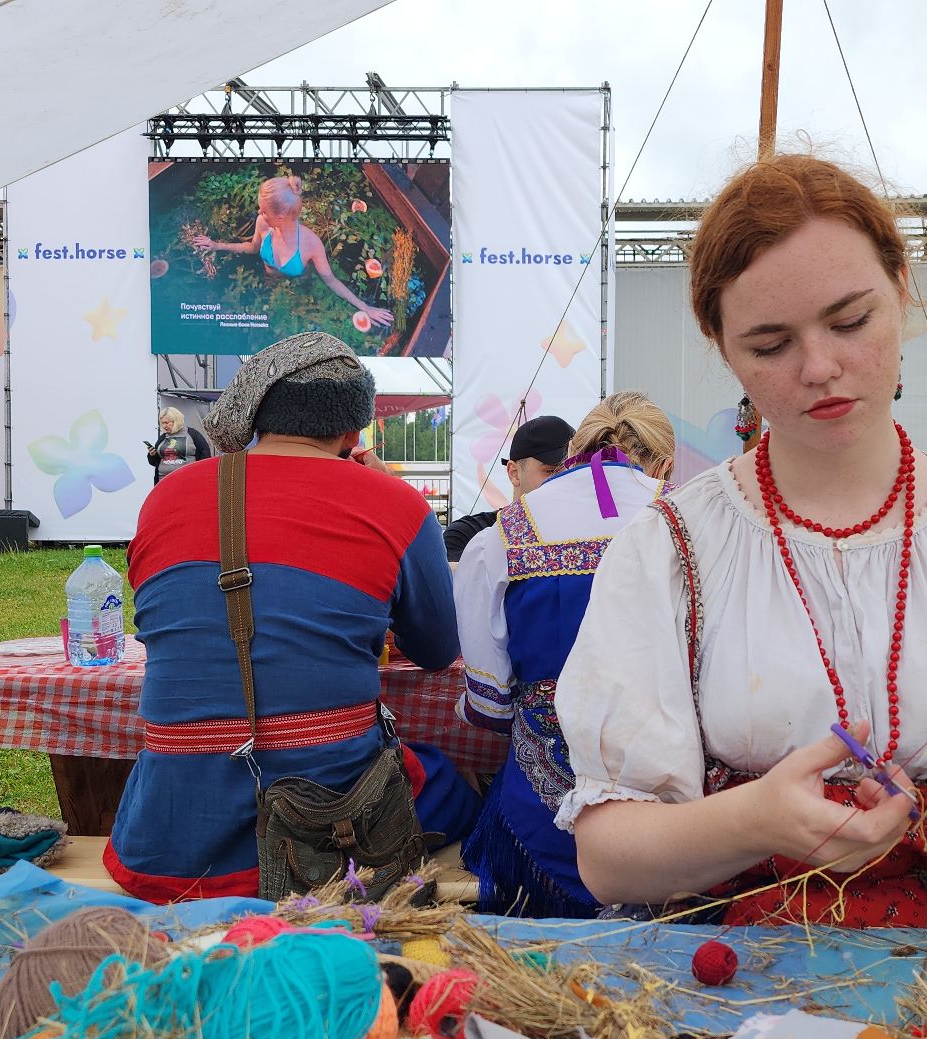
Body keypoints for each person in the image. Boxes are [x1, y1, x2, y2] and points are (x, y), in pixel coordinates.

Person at [553, 155, 927, 929]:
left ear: (902, 289)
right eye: (769, 344)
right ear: (723, 347)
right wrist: (752, 822)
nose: (821, 367)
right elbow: (607, 863)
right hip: (736, 974)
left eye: (849, 322)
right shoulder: (671, 550)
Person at [106, 332, 479, 903]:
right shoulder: (395, 503)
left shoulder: (166, 497)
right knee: (454, 787)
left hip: (168, 839)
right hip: (327, 833)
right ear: (354, 433)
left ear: (259, 419)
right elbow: (436, 649)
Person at [454, 392, 675, 917]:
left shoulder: (504, 534)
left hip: (542, 806)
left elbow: (489, 705)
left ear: (577, 449)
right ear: (665, 463)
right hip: (672, 799)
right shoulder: (690, 518)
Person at [190, 175, 395, 329]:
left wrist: (365, 307)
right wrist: (216, 245)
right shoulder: (263, 224)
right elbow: (253, 248)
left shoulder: (311, 244)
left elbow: (331, 280)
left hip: (297, 284)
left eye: (263, 210)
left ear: (279, 216)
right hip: (268, 277)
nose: (259, 213)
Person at [443, 415, 576, 562]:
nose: (564, 479)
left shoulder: (583, 533)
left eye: (573, 470)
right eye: (550, 471)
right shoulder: (466, 535)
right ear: (514, 473)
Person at [146, 406, 212, 484]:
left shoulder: (192, 434)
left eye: (166, 422)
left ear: (176, 420)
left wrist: (199, 475)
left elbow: (205, 454)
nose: (164, 426)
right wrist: (152, 455)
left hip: (188, 481)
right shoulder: (163, 437)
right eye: (162, 423)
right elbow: (154, 462)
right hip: (163, 482)